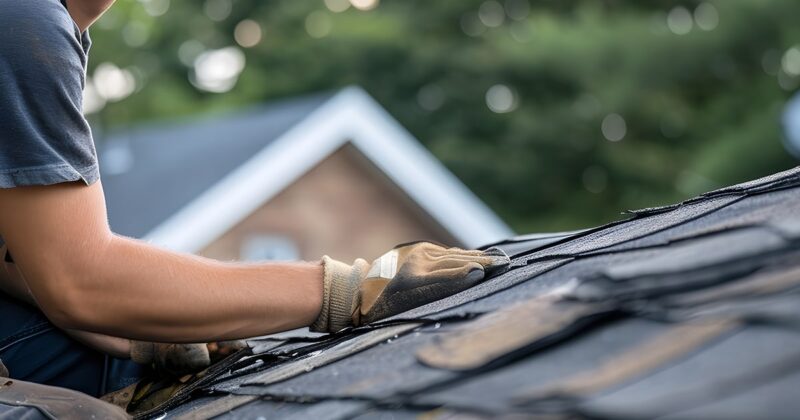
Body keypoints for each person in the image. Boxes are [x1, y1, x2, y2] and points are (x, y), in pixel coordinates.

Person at [0, 0, 509, 399]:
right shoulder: (25, 22)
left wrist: (148, 333)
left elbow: (25, 259)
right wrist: (348, 288)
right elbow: (81, 280)